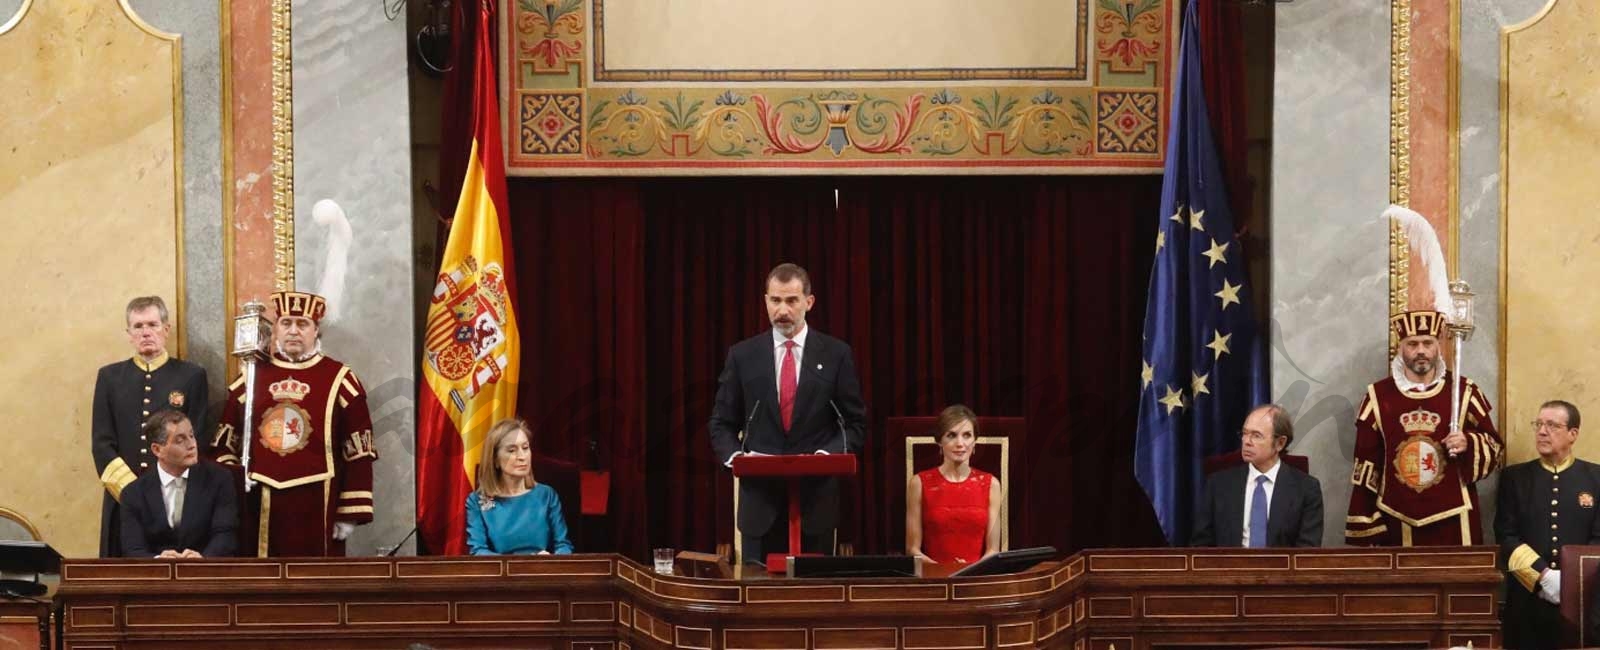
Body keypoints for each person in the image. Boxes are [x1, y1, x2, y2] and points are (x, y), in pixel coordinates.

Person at [709, 263, 867, 563]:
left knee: (814, 601)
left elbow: (855, 423)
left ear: (809, 302)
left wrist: (826, 456)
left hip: (815, 501)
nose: (782, 310)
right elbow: (721, 423)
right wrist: (738, 459)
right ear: (766, 301)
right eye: (775, 300)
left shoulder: (836, 355)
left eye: (792, 301)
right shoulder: (743, 355)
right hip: (760, 503)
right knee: (757, 599)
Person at [210, 290, 377, 556]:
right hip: (259, 503)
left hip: (319, 503)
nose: (294, 331)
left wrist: (349, 512)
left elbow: (360, 449)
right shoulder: (251, 378)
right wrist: (235, 479)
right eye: (286, 323)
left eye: (302, 324)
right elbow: (223, 445)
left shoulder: (340, 379)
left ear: (315, 331)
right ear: (275, 329)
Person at [1345, 310, 1503, 546]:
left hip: (1454, 517)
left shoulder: (1464, 391)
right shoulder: (1378, 397)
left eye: (1428, 343)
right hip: (1396, 517)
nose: (1421, 350)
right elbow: (1366, 467)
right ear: (1401, 348)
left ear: (1438, 346)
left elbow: (1496, 448)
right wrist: (1368, 524)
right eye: (1412, 344)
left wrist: (1468, 443)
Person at [91, 295, 210, 557]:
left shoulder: (191, 376)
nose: (146, 332)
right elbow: (102, 444)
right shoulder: (110, 378)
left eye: (153, 325)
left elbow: (198, 439)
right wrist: (133, 495)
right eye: (138, 326)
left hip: (174, 501)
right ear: (129, 333)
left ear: (166, 329)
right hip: (122, 500)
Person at [1498, 400, 1600, 649]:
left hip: (1583, 603)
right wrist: (1543, 576)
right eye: (1539, 424)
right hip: (1527, 602)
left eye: (1552, 425)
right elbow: (1506, 534)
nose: (1542, 431)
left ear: (1572, 434)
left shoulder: (1596, 478)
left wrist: (1571, 581)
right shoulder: (1514, 478)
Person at [1191, 404, 1323, 547]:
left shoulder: (1306, 489)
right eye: (1244, 433)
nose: (1246, 441)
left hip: (1281, 568)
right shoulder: (1218, 485)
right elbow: (1200, 547)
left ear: (1280, 443)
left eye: (1256, 436)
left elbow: (1306, 552)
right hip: (1229, 567)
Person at [119, 411, 238, 558]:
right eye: (180, 440)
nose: (192, 445)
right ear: (157, 449)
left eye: (191, 435)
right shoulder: (133, 493)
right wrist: (158, 561)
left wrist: (203, 559)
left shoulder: (219, 479)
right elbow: (133, 549)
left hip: (205, 575)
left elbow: (225, 536)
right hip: (157, 577)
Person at [905, 405, 1002, 564]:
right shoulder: (919, 483)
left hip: (975, 579)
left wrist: (968, 571)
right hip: (935, 580)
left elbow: (993, 550)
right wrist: (944, 571)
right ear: (940, 441)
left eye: (967, 435)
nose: (960, 443)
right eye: (951, 435)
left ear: (974, 441)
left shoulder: (991, 484)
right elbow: (912, 549)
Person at [465, 418, 573, 555]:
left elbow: (564, 545)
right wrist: (517, 566)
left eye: (525, 448)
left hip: (541, 572)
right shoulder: (476, 501)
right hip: (501, 574)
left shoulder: (547, 495)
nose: (522, 456)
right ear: (495, 460)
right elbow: (478, 551)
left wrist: (550, 561)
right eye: (512, 450)